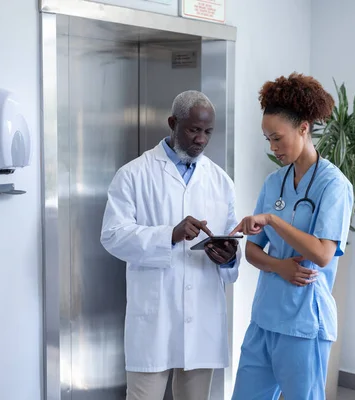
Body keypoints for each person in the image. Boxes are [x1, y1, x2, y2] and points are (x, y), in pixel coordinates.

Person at [100, 90, 240, 400]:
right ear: (173, 123)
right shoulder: (134, 174)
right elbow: (111, 235)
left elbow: (231, 244)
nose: (201, 139)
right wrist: (169, 235)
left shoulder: (221, 181)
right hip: (155, 317)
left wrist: (229, 258)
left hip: (202, 314)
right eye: (193, 129)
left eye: (207, 132)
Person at [229, 73, 354, 400]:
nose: (273, 147)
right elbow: (253, 251)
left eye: (277, 138)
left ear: (303, 128)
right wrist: (278, 266)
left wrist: (272, 219)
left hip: (304, 325)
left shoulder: (334, 185)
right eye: (267, 139)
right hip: (264, 320)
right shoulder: (274, 182)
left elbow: (323, 254)